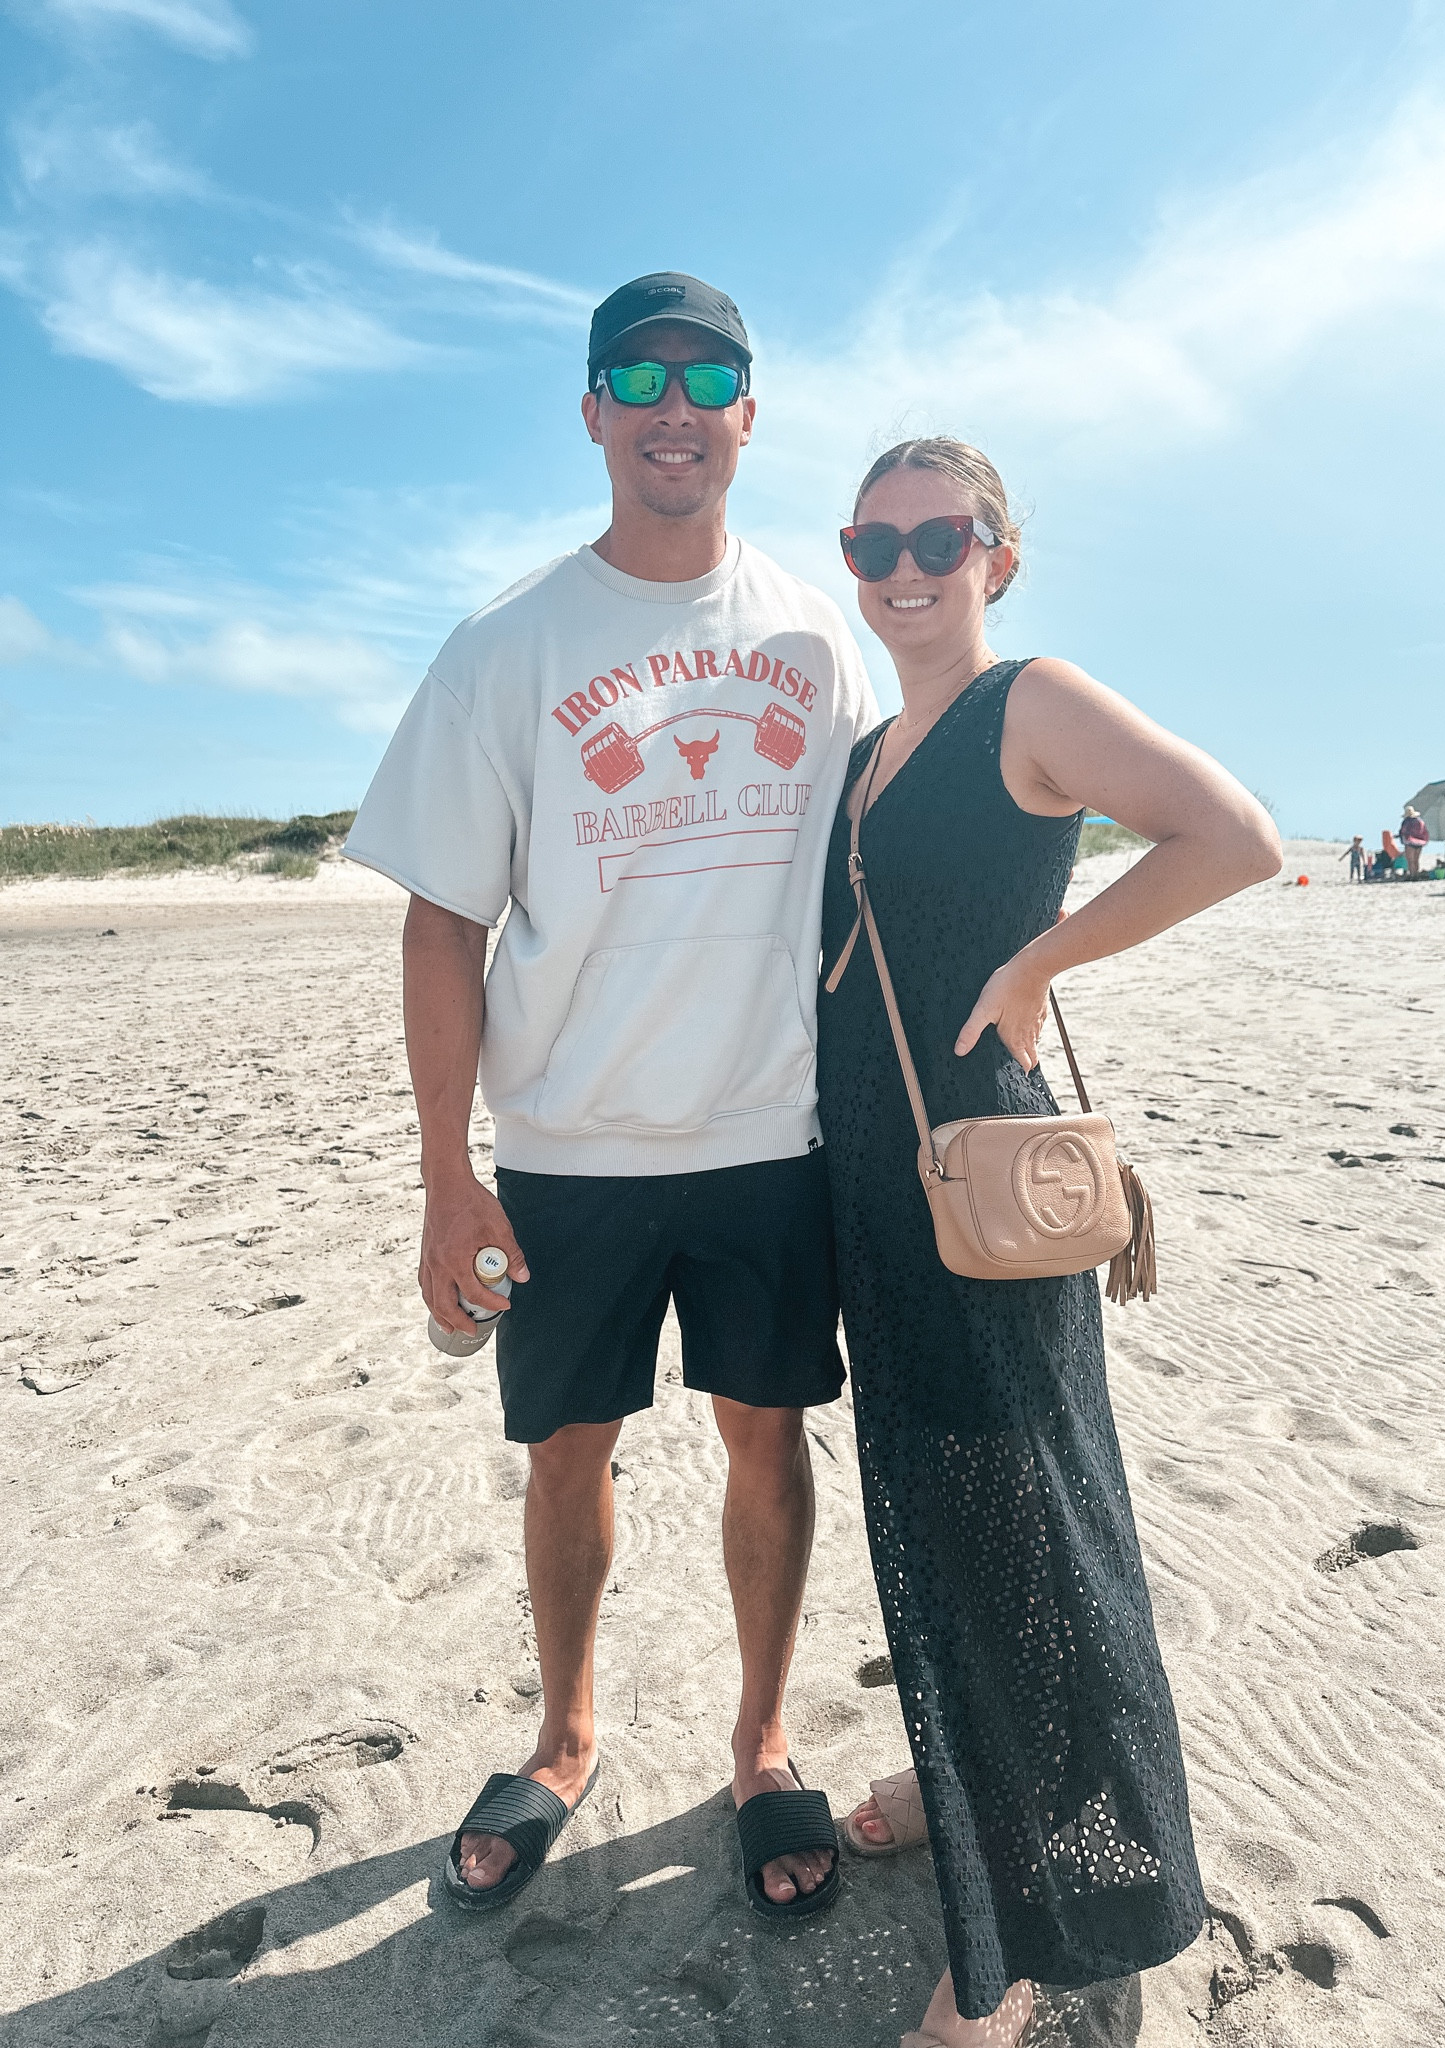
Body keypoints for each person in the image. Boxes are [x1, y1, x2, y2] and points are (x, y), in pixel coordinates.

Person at [345, 273, 877, 1920]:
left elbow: (877, 877)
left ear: (747, 409)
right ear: (590, 413)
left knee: (765, 1442)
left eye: (703, 373)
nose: (669, 403)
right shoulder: (508, 644)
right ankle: (566, 1726)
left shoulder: (813, 631)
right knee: (566, 1455)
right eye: (632, 374)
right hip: (567, 1148)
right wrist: (450, 1170)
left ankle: (763, 1733)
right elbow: (447, 913)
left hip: (765, 1139)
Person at [815, 438, 1281, 2047]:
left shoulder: (1033, 700)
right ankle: (965, 1798)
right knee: (941, 1526)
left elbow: (1230, 835)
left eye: (941, 535)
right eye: (876, 541)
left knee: (1033, 1534)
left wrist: (1037, 968)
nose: (906, 567)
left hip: (991, 1181)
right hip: (883, 1187)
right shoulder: (872, 749)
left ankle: (1017, 1947)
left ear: (997, 554)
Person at [1400, 806, 1430, 878]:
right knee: (1416, 860)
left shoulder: (1406, 822)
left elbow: (1403, 831)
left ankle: (1412, 875)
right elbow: (1424, 832)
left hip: (1410, 842)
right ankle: (1416, 874)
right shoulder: (1420, 821)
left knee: (1410, 860)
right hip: (1420, 842)